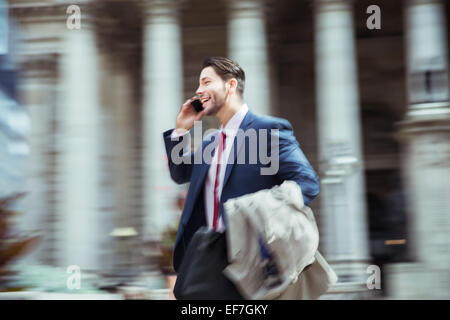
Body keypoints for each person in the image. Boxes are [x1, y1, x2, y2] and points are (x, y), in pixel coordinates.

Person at [162, 56, 320, 291]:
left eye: (206, 82)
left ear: (231, 85)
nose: (198, 90)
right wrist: (181, 130)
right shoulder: (210, 143)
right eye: (199, 84)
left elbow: (307, 183)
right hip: (207, 254)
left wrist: (258, 210)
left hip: (251, 259)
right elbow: (179, 173)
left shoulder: (268, 130)